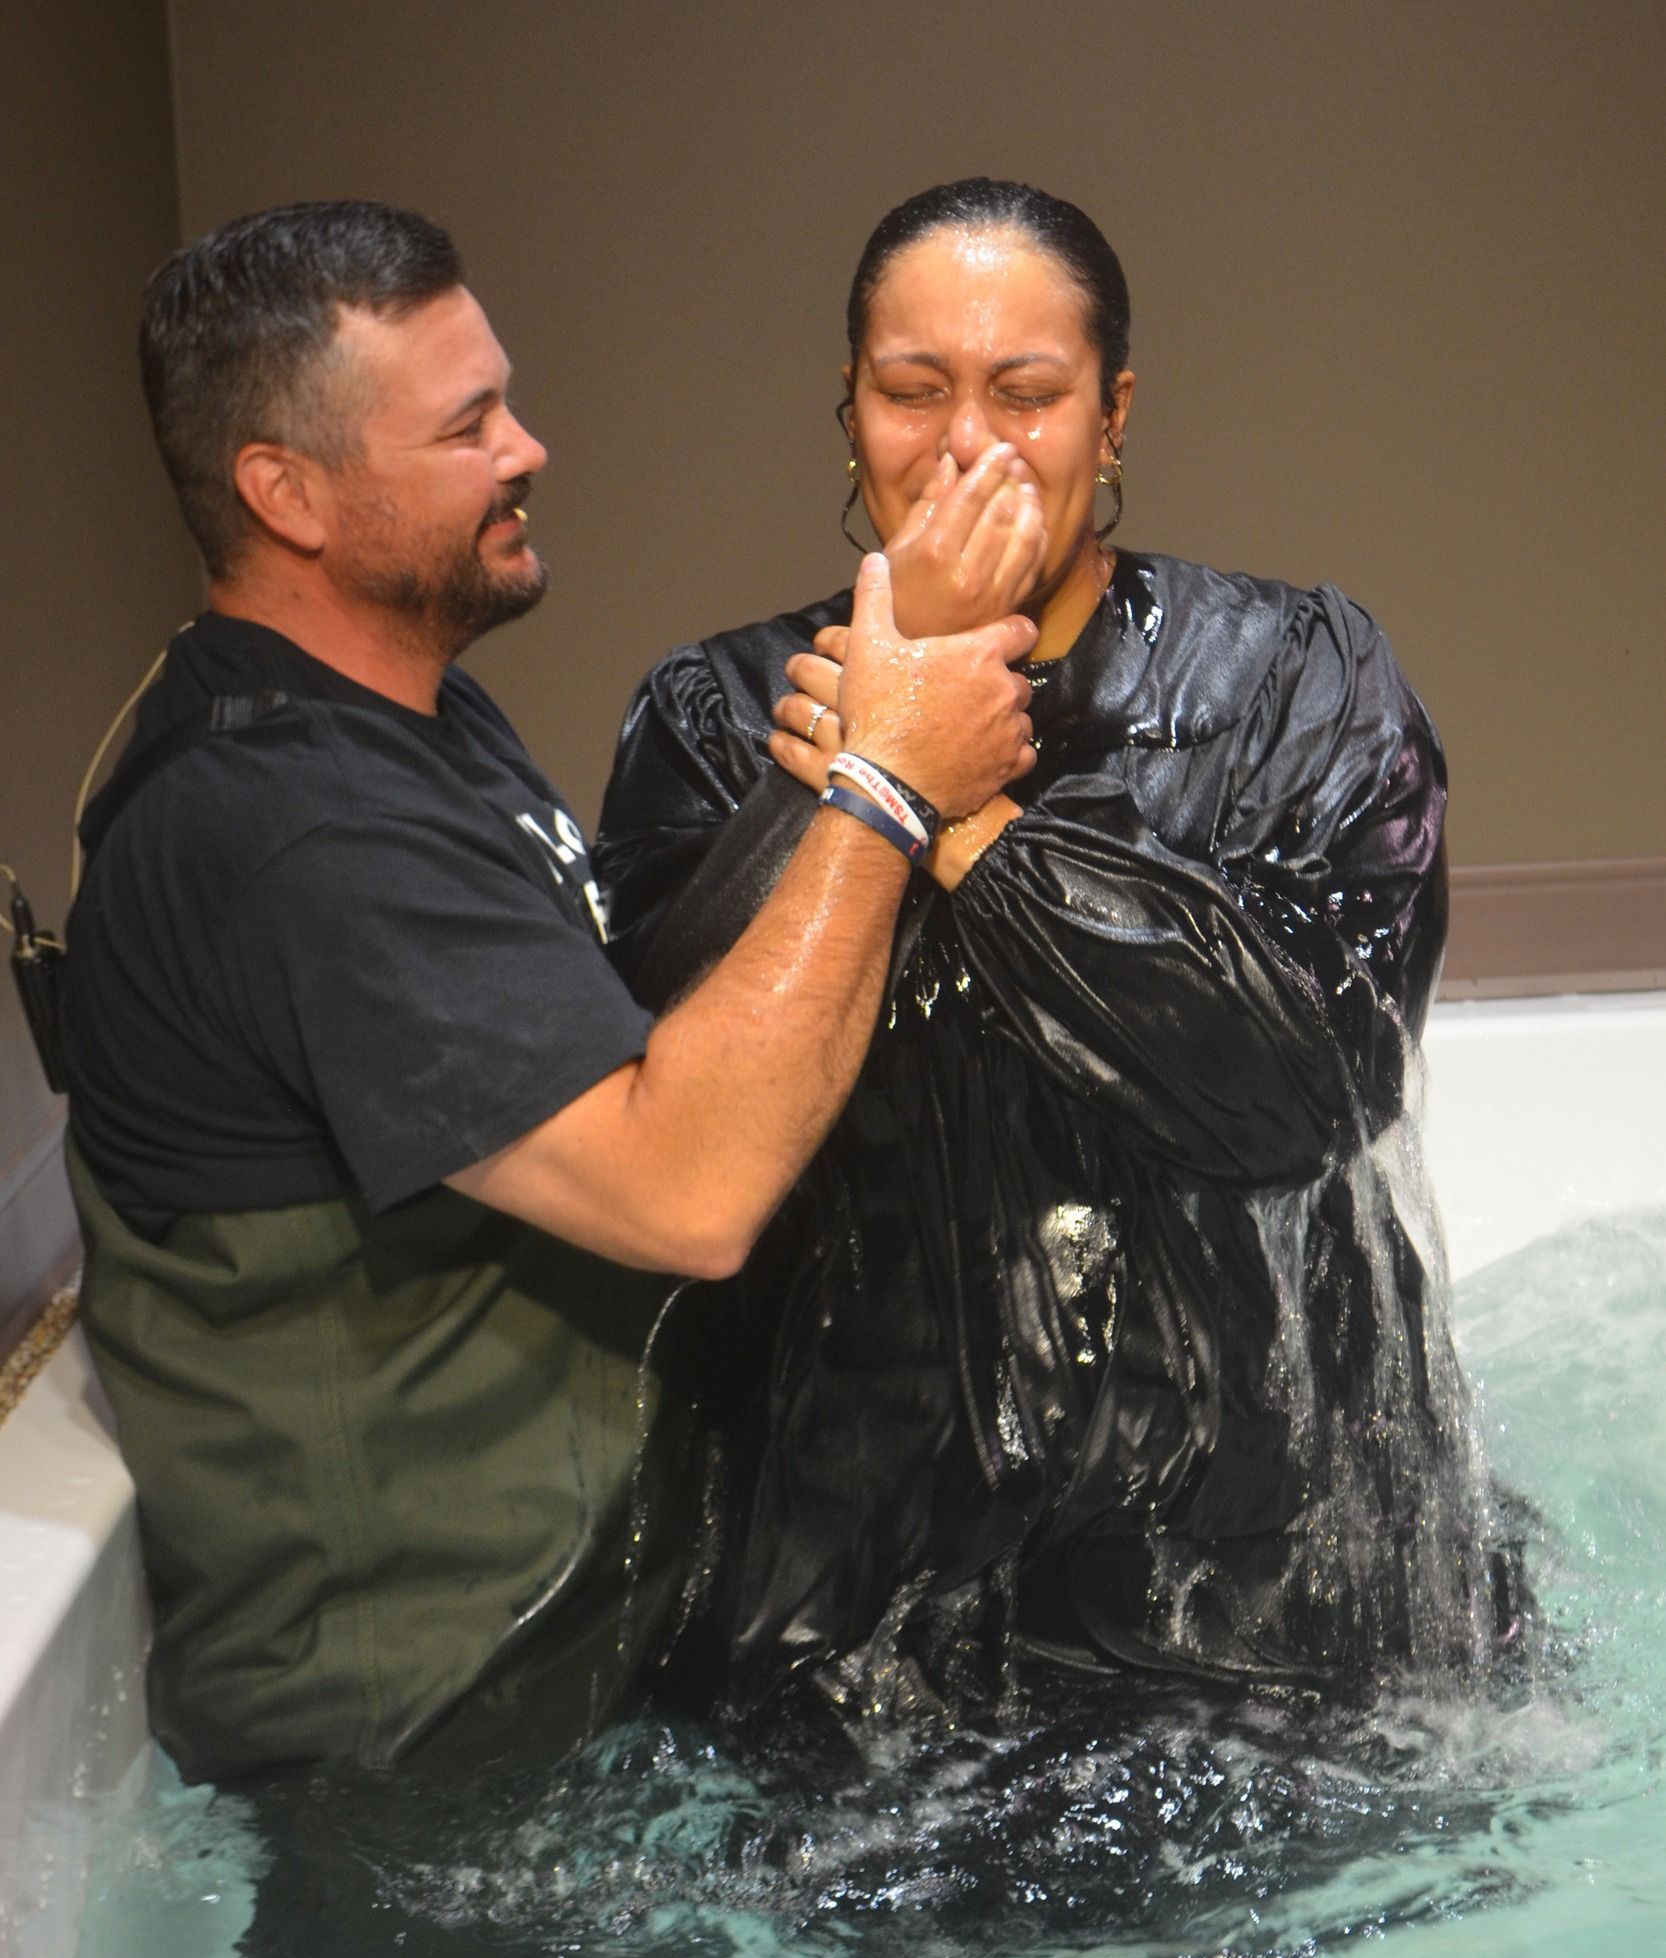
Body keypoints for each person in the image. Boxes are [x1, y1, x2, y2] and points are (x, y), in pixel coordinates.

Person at [59, 199, 1039, 1784]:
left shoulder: (416, 726)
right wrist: (888, 793)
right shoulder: (293, 832)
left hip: (587, 1660)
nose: (528, 448)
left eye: (504, 399)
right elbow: (690, 1189)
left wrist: (869, 725)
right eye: (467, 427)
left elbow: (617, 1036)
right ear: (284, 493)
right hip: (439, 1762)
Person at [596, 177, 1520, 1721]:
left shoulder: (1297, 679)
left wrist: (937, 804)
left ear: (1112, 416)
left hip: (1277, 1574)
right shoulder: (722, 717)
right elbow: (660, 1072)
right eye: (912, 392)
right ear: (848, 414)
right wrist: (870, 757)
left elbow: (1311, 1079)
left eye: (1025, 394)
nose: (968, 444)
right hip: (871, 1591)